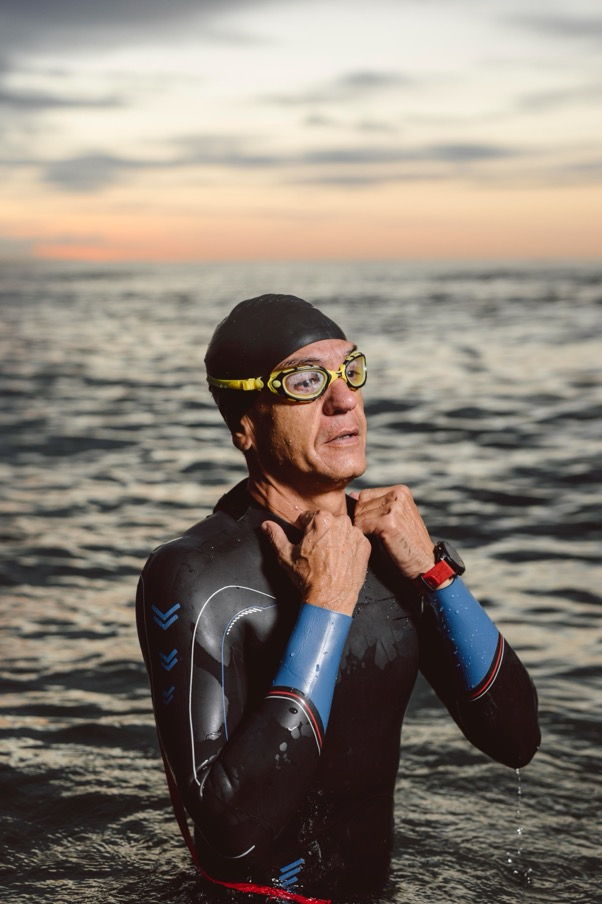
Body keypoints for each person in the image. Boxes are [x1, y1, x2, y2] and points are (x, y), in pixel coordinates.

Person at [136, 294, 540, 904]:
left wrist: (435, 573)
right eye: (305, 381)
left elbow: (517, 739)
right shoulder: (192, 575)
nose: (344, 399)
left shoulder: (394, 550)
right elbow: (231, 830)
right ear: (244, 424)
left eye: (351, 371)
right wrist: (327, 603)